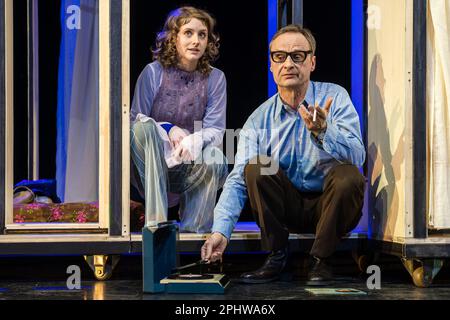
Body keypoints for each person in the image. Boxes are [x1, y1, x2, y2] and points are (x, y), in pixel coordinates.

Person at [201, 25, 365, 285]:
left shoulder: (335, 97)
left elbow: (358, 156)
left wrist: (324, 131)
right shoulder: (259, 119)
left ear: (312, 62)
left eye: (297, 56)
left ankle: (321, 260)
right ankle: (276, 254)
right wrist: (221, 231)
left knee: (350, 175)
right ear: (271, 65)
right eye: (280, 56)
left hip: (330, 206)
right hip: (287, 207)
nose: (288, 63)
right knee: (256, 168)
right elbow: (237, 180)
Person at [130, 7, 228, 233]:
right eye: (188, 33)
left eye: (202, 35)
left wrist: (195, 140)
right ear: (173, 38)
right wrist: (168, 128)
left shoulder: (215, 78)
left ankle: (195, 235)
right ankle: (157, 225)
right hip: (149, 163)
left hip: (186, 162)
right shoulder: (153, 73)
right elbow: (134, 122)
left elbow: (216, 128)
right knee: (142, 128)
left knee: (215, 156)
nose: (196, 41)